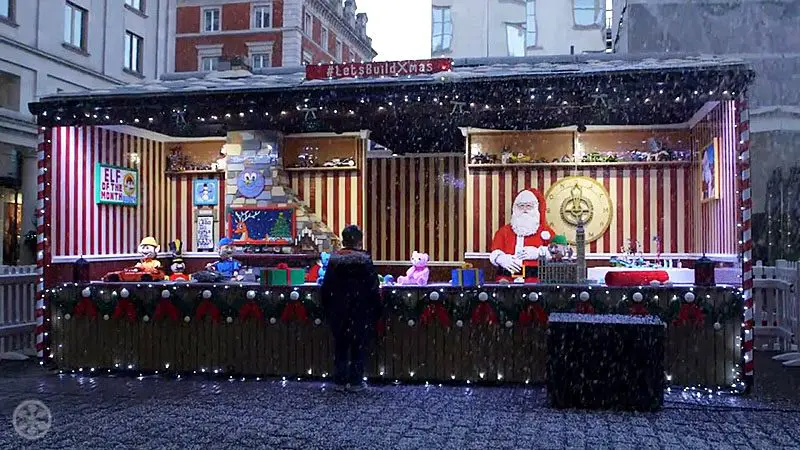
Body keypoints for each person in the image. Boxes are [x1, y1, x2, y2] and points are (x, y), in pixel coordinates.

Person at [320, 225, 381, 392]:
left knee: (340, 346)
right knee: (358, 346)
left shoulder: (334, 260)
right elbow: (373, 287)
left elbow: (327, 287)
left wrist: (328, 307)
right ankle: (355, 381)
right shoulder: (364, 260)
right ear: (359, 241)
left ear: (344, 240)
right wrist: (376, 308)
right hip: (360, 310)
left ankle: (340, 380)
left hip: (338, 310)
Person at [489, 188, 555, 283]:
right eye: (521, 206)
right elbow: (495, 250)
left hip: (535, 279)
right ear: (515, 208)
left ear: (535, 208)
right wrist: (501, 258)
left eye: (528, 206)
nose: (524, 210)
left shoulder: (545, 231)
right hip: (507, 278)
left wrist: (539, 252)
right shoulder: (504, 231)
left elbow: (557, 251)